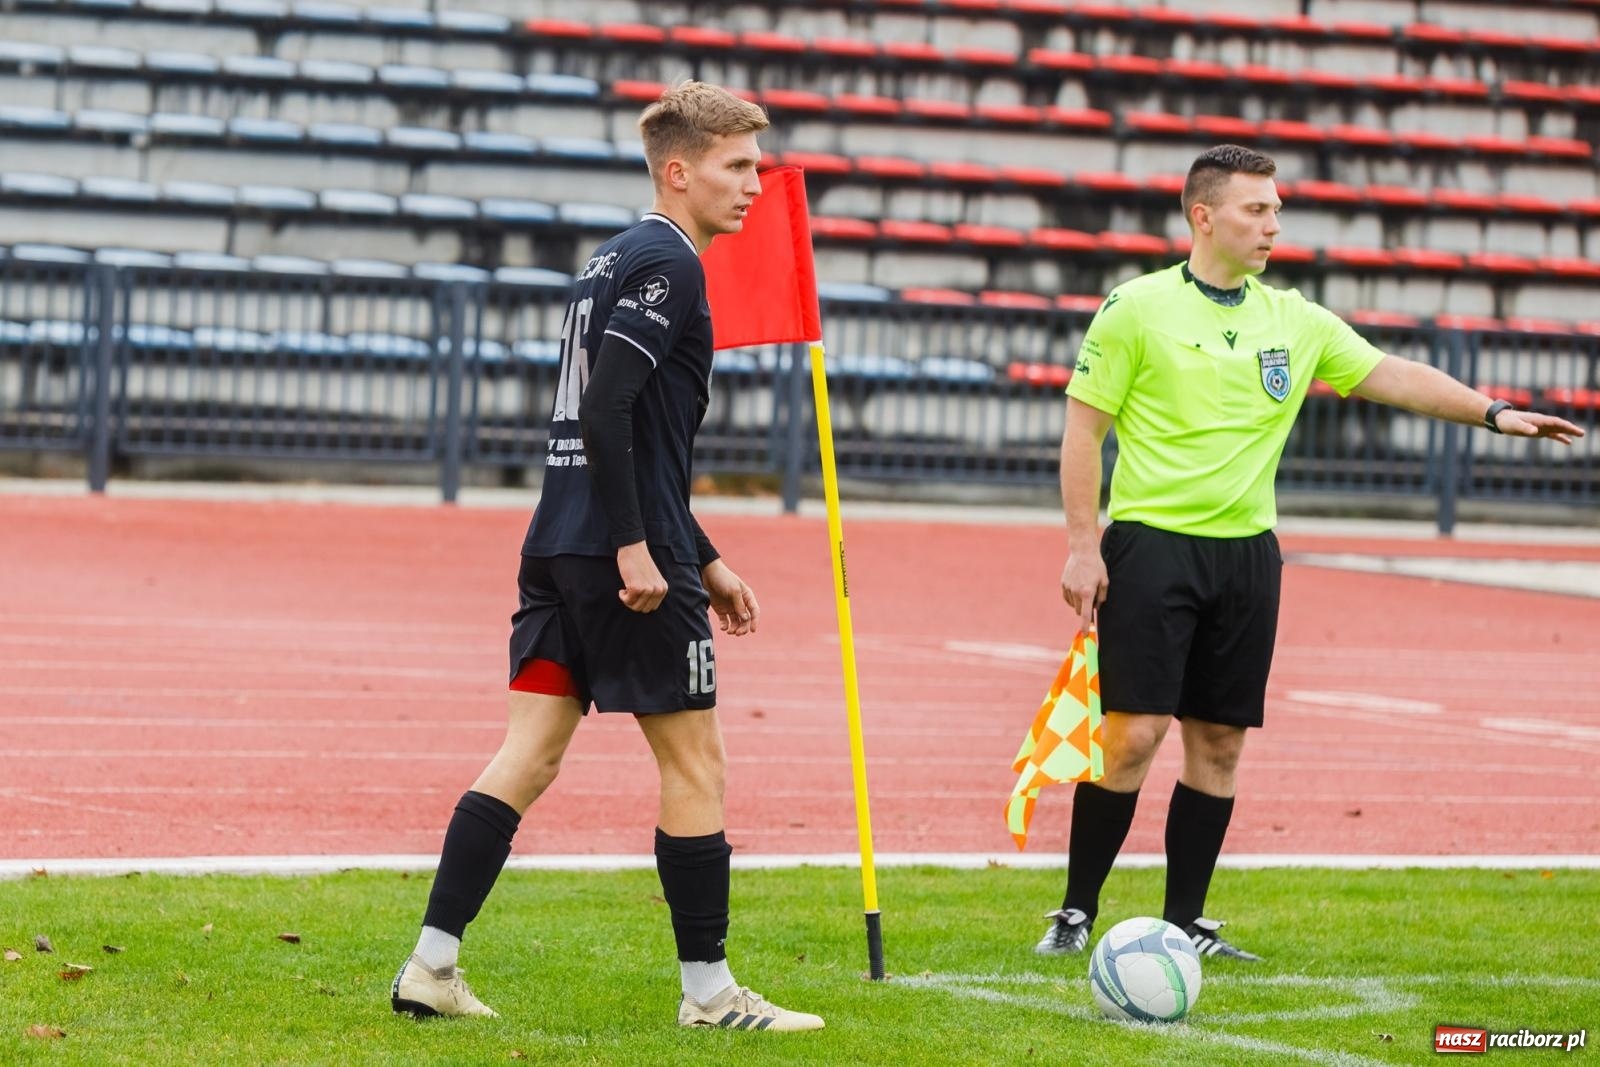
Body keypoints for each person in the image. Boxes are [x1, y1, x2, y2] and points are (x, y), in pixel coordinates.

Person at [1037, 144, 1584, 962]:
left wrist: (1494, 411)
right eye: (1257, 210)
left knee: (1219, 743)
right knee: (1134, 733)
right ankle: (1077, 911)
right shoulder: (1136, 308)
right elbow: (1084, 431)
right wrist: (1084, 546)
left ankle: (1186, 921)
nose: (1274, 224)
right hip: (1152, 546)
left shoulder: (1294, 318)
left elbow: (1388, 374)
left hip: (1249, 556)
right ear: (1204, 216)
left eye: (1277, 209)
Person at [391, 81, 824, 1032]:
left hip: (558, 542)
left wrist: (702, 556)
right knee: (697, 763)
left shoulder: (612, 258)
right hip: (622, 555)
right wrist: (645, 549)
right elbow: (608, 409)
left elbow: (636, 434)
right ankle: (710, 993)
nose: (756, 183)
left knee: (529, 753)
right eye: (738, 164)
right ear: (680, 170)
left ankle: (431, 963)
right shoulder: (672, 264)